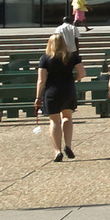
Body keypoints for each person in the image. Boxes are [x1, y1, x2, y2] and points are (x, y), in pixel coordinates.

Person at [35, 33, 85, 163]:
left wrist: (38, 96)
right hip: (68, 89)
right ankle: (68, 145)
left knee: (54, 120)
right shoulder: (73, 56)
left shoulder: (45, 58)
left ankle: (57, 151)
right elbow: (83, 73)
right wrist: (73, 79)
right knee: (67, 117)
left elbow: (41, 80)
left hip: (52, 90)